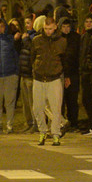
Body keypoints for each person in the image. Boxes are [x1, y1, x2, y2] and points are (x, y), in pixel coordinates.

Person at [31, 15, 69, 145]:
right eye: (46, 28)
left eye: (50, 28)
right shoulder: (36, 40)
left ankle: (56, 134)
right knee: (38, 107)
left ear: (55, 27)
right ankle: (42, 132)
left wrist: (66, 76)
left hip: (54, 77)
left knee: (56, 108)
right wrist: (35, 70)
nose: (48, 31)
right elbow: (33, 56)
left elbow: (65, 60)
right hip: (39, 77)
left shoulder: (62, 41)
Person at [59, 18, 81, 133]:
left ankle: (73, 122)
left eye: (68, 27)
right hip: (60, 73)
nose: (66, 29)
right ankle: (62, 122)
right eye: (63, 27)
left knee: (72, 100)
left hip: (73, 73)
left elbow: (76, 56)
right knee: (60, 100)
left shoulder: (76, 38)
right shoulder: (58, 39)